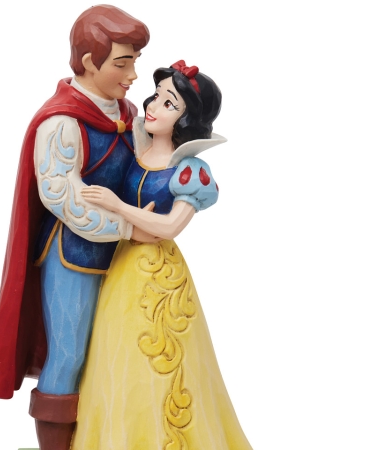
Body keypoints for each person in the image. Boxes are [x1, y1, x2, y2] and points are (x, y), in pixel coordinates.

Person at [0, 5, 150, 450]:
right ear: (90, 61)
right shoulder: (62, 122)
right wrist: (130, 228)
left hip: (125, 254)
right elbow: (62, 197)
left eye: (135, 61)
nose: (133, 75)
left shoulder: (129, 113)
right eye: (122, 63)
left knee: (115, 349)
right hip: (74, 256)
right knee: (70, 354)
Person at [76, 61, 253, 449]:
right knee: (117, 354)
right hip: (123, 267)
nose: (154, 106)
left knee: (163, 359)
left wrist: (118, 207)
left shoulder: (189, 170)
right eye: (156, 96)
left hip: (160, 276)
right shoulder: (137, 146)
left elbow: (170, 226)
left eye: (169, 103)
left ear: (186, 119)